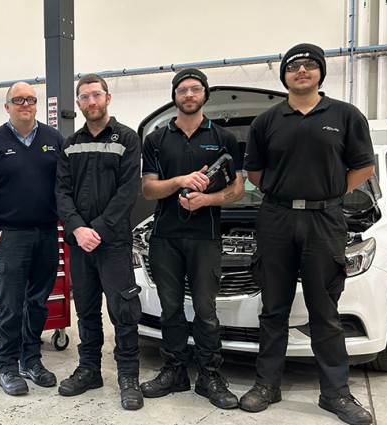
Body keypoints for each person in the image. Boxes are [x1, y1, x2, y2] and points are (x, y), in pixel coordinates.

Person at [239, 43, 375, 425]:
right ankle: (267, 385)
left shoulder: (346, 115)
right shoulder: (267, 121)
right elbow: (255, 174)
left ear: (320, 73)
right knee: (274, 309)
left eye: (309, 65)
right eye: (293, 66)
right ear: (284, 75)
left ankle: (335, 394)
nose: (301, 70)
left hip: (325, 220)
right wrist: (289, 191)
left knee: (325, 312)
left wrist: (327, 192)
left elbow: (364, 167)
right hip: (277, 218)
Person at [139, 68, 244, 409]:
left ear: (205, 95)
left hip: (206, 237)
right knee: (170, 309)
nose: (188, 95)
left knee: (205, 310)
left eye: (194, 89)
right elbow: (148, 187)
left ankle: (210, 375)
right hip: (165, 237)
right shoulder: (156, 139)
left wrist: (207, 199)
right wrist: (181, 181)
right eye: (182, 90)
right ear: (174, 96)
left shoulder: (224, 139)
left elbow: (237, 188)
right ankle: (174, 371)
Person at [55, 73, 143, 410]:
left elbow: (127, 192)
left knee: (123, 310)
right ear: (78, 103)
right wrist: (78, 229)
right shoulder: (70, 143)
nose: (91, 102)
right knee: (86, 309)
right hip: (79, 244)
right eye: (84, 97)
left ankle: (128, 376)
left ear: (108, 98)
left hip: (114, 244)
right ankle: (90, 369)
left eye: (96, 95)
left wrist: (99, 230)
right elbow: (61, 192)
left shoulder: (127, 139)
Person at [0, 81, 65, 396]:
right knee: (10, 305)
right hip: (10, 236)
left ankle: (31, 360)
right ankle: (7, 366)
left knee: (38, 303)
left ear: (37, 105)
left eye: (30, 99)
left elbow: (65, 185)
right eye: (18, 100)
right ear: (7, 105)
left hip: (48, 233)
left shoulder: (55, 140)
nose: (25, 104)